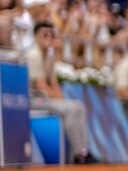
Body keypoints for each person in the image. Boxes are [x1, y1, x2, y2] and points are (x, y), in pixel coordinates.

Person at [25, 22, 97, 163]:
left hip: (44, 97)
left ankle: (84, 149)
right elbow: (41, 85)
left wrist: (61, 97)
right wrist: (59, 98)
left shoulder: (49, 55)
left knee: (78, 106)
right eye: (44, 34)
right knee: (69, 109)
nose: (49, 38)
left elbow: (53, 82)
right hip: (32, 99)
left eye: (51, 35)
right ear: (35, 36)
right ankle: (79, 154)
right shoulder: (33, 55)